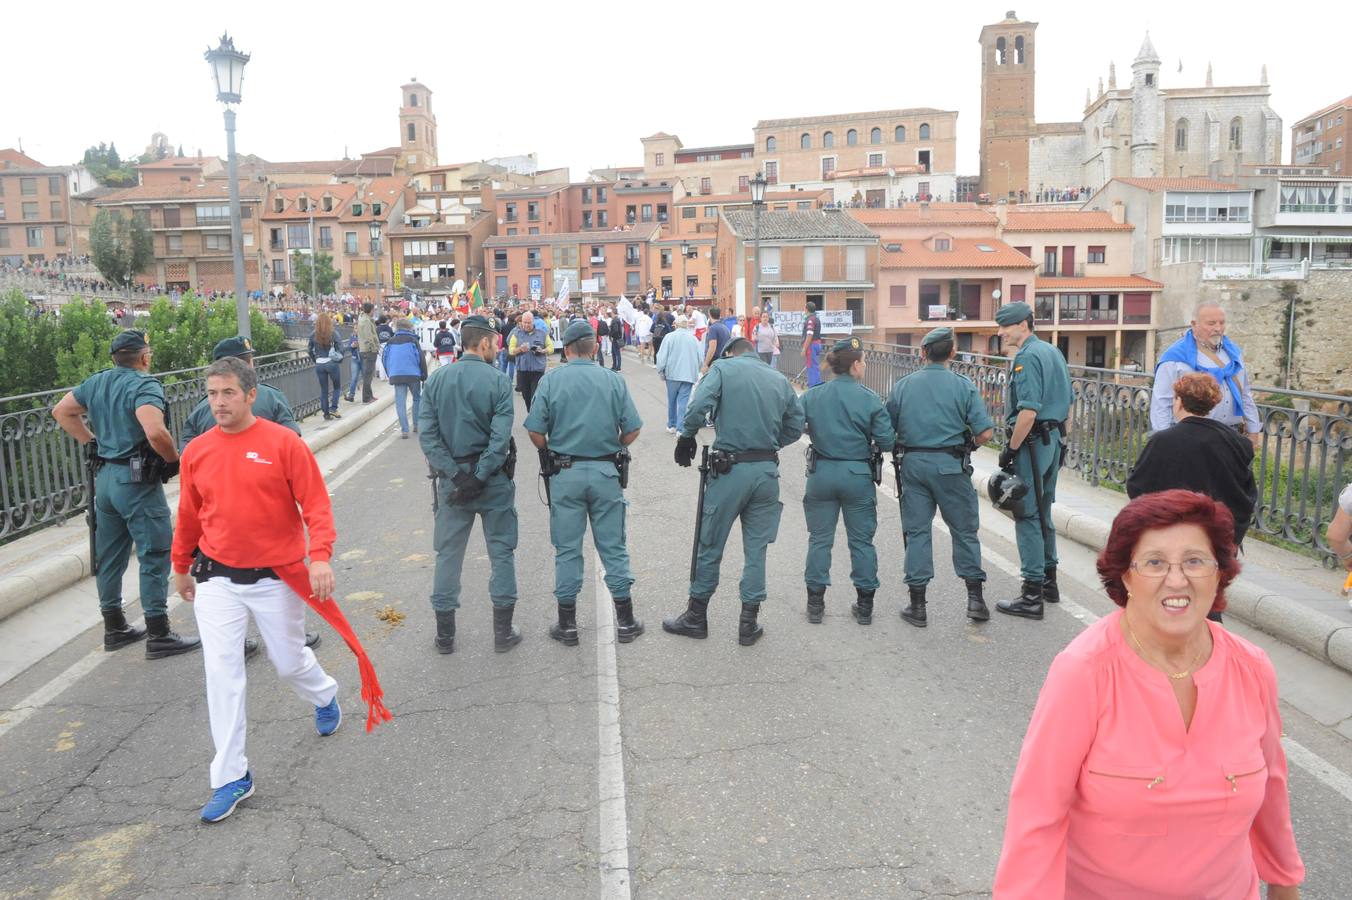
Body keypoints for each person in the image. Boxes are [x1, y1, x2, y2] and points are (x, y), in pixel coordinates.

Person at [993, 490, 1304, 899]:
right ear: (1126, 576)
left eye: (1195, 561)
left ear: (1219, 574)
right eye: (1155, 563)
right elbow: (1038, 814)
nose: (1177, 580)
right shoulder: (1084, 672)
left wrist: (1284, 881)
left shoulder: (1252, 669)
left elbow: (1271, 789)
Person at [173, 357, 388, 823]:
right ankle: (232, 776)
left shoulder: (283, 443)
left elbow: (316, 505)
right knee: (222, 673)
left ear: (251, 394)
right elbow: (189, 513)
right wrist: (180, 565)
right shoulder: (197, 451)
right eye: (211, 394)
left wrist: (320, 556)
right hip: (217, 578)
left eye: (228, 392)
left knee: (289, 663)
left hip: (274, 579)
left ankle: (324, 693)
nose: (218, 402)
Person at [51, 330, 200, 659]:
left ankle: (115, 627)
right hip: (136, 482)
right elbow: (155, 430)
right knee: (154, 552)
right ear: (144, 357)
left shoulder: (97, 382)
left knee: (110, 556)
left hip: (105, 479)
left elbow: (61, 412)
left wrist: (92, 442)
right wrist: (172, 461)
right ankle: (159, 633)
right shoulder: (144, 384)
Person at [666, 336, 805, 645]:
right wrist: (769, 443)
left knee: (710, 542)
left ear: (729, 352)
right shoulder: (778, 379)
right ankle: (748, 623)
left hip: (729, 470)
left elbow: (698, 406)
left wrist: (686, 437)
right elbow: (796, 425)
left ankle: (696, 617)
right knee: (757, 549)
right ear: (753, 353)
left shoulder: (722, 369)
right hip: (766, 471)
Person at [525, 320, 645, 645]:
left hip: (566, 474)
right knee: (613, 547)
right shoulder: (611, 380)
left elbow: (535, 431)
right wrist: (615, 445)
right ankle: (626, 621)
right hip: (606, 473)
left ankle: (568, 626)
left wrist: (551, 450)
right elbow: (633, 428)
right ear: (594, 347)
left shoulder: (551, 381)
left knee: (567, 550)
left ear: (565, 349)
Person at [417, 315, 522, 654]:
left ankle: (444, 637)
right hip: (491, 482)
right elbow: (500, 438)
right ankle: (503, 634)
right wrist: (479, 476)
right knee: (501, 553)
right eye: (495, 342)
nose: (497, 348)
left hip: (453, 484)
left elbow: (429, 436)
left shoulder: (436, 380)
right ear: (485, 343)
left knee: (448, 555)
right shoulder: (499, 381)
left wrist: (457, 475)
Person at [888, 327, 995, 625]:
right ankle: (975, 600)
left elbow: (887, 429)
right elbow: (985, 432)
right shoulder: (964, 386)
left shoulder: (903, 386)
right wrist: (967, 446)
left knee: (918, 532)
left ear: (922, 353)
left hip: (913, 465)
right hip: (951, 466)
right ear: (951, 353)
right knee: (964, 531)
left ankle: (918, 606)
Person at [801, 337, 896, 624]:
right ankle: (864, 606)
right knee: (861, 542)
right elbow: (887, 441)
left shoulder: (812, 395)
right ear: (854, 366)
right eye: (863, 361)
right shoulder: (869, 398)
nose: (865, 365)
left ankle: (816, 605)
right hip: (857, 475)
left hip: (821, 474)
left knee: (819, 540)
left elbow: (791, 425)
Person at [993, 301, 1074, 621]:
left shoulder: (1026, 357)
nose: (1001, 333)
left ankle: (1031, 595)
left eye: (1005, 327)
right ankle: (1049, 582)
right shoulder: (1053, 352)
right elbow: (1068, 403)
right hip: (1052, 440)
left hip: (1032, 442)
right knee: (1044, 510)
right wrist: (1062, 440)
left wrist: (1010, 451)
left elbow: (1027, 411)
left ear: (1023, 326)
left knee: (1026, 514)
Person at [1151, 301, 1262, 446]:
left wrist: (1253, 431)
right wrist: (1163, 442)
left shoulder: (1234, 354)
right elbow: (1162, 402)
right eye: (1211, 323)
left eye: (1222, 323)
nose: (1218, 328)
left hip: (1230, 436)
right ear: (1194, 324)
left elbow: (1245, 394)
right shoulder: (1174, 358)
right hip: (1190, 438)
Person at [180, 337, 300, 448]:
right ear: (249, 365)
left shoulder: (200, 409)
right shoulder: (272, 397)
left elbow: (186, 454)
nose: (220, 402)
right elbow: (293, 440)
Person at [382, 317, 428, 439]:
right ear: (409, 328)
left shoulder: (390, 341)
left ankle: (404, 429)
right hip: (413, 374)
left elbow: (384, 358)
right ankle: (417, 424)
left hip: (397, 374)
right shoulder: (413, 340)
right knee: (417, 398)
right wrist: (424, 374)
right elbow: (421, 358)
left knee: (400, 402)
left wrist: (389, 373)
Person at [656, 314, 702, 435]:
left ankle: (672, 424)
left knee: (672, 400)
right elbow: (700, 358)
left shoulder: (669, 337)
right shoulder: (693, 339)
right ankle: (680, 429)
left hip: (672, 374)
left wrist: (661, 371)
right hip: (688, 375)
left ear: (676, 325)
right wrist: (697, 369)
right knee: (683, 402)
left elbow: (661, 357)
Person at [509, 311, 550, 411]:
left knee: (534, 396)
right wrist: (520, 349)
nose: (526, 325)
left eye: (529, 322)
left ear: (533, 322)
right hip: (522, 370)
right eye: (524, 322)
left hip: (537, 370)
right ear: (521, 322)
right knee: (526, 396)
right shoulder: (516, 334)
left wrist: (543, 350)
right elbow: (511, 350)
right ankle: (530, 412)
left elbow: (551, 347)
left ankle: (534, 417)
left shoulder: (542, 333)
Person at [308, 314, 344, 420]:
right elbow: (341, 348)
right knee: (337, 387)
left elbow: (309, 350)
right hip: (331, 363)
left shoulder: (313, 334)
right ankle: (333, 408)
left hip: (319, 363)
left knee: (324, 389)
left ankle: (326, 413)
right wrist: (339, 359)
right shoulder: (333, 333)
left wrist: (316, 360)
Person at [356, 302, 379, 403]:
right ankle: (366, 398)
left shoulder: (364, 319)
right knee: (368, 375)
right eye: (373, 310)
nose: (374, 312)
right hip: (368, 350)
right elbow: (369, 337)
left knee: (368, 374)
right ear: (370, 310)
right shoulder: (365, 321)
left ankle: (370, 395)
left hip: (365, 349)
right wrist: (374, 348)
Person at [701, 306, 731, 375]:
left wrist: (705, 364)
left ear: (709, 314)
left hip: (714, 362)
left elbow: (712, 348)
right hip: (723, 360)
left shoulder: (713, 328)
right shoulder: (725, 328)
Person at [802, 301, 823, 386]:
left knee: (811, 367)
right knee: (815, 366)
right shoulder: (816, 318)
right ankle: (817, 384)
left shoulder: (810, 320)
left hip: (811, 346)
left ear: (806, 309)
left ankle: (813, 387)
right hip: (817, 344)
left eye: (804, 308)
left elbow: (809, 334)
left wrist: (804, 348)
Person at [343, 328, 363, 402]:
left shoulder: (364, 336)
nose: (356, 330)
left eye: (357, 328)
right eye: (355, 328)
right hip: (355, 359)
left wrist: (360, 344)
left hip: (363, 359)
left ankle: (367, 395)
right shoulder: (352, 337)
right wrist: (352, 346)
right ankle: (351, 396)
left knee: (366, 378)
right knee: (354, 378)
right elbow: (349, 348)